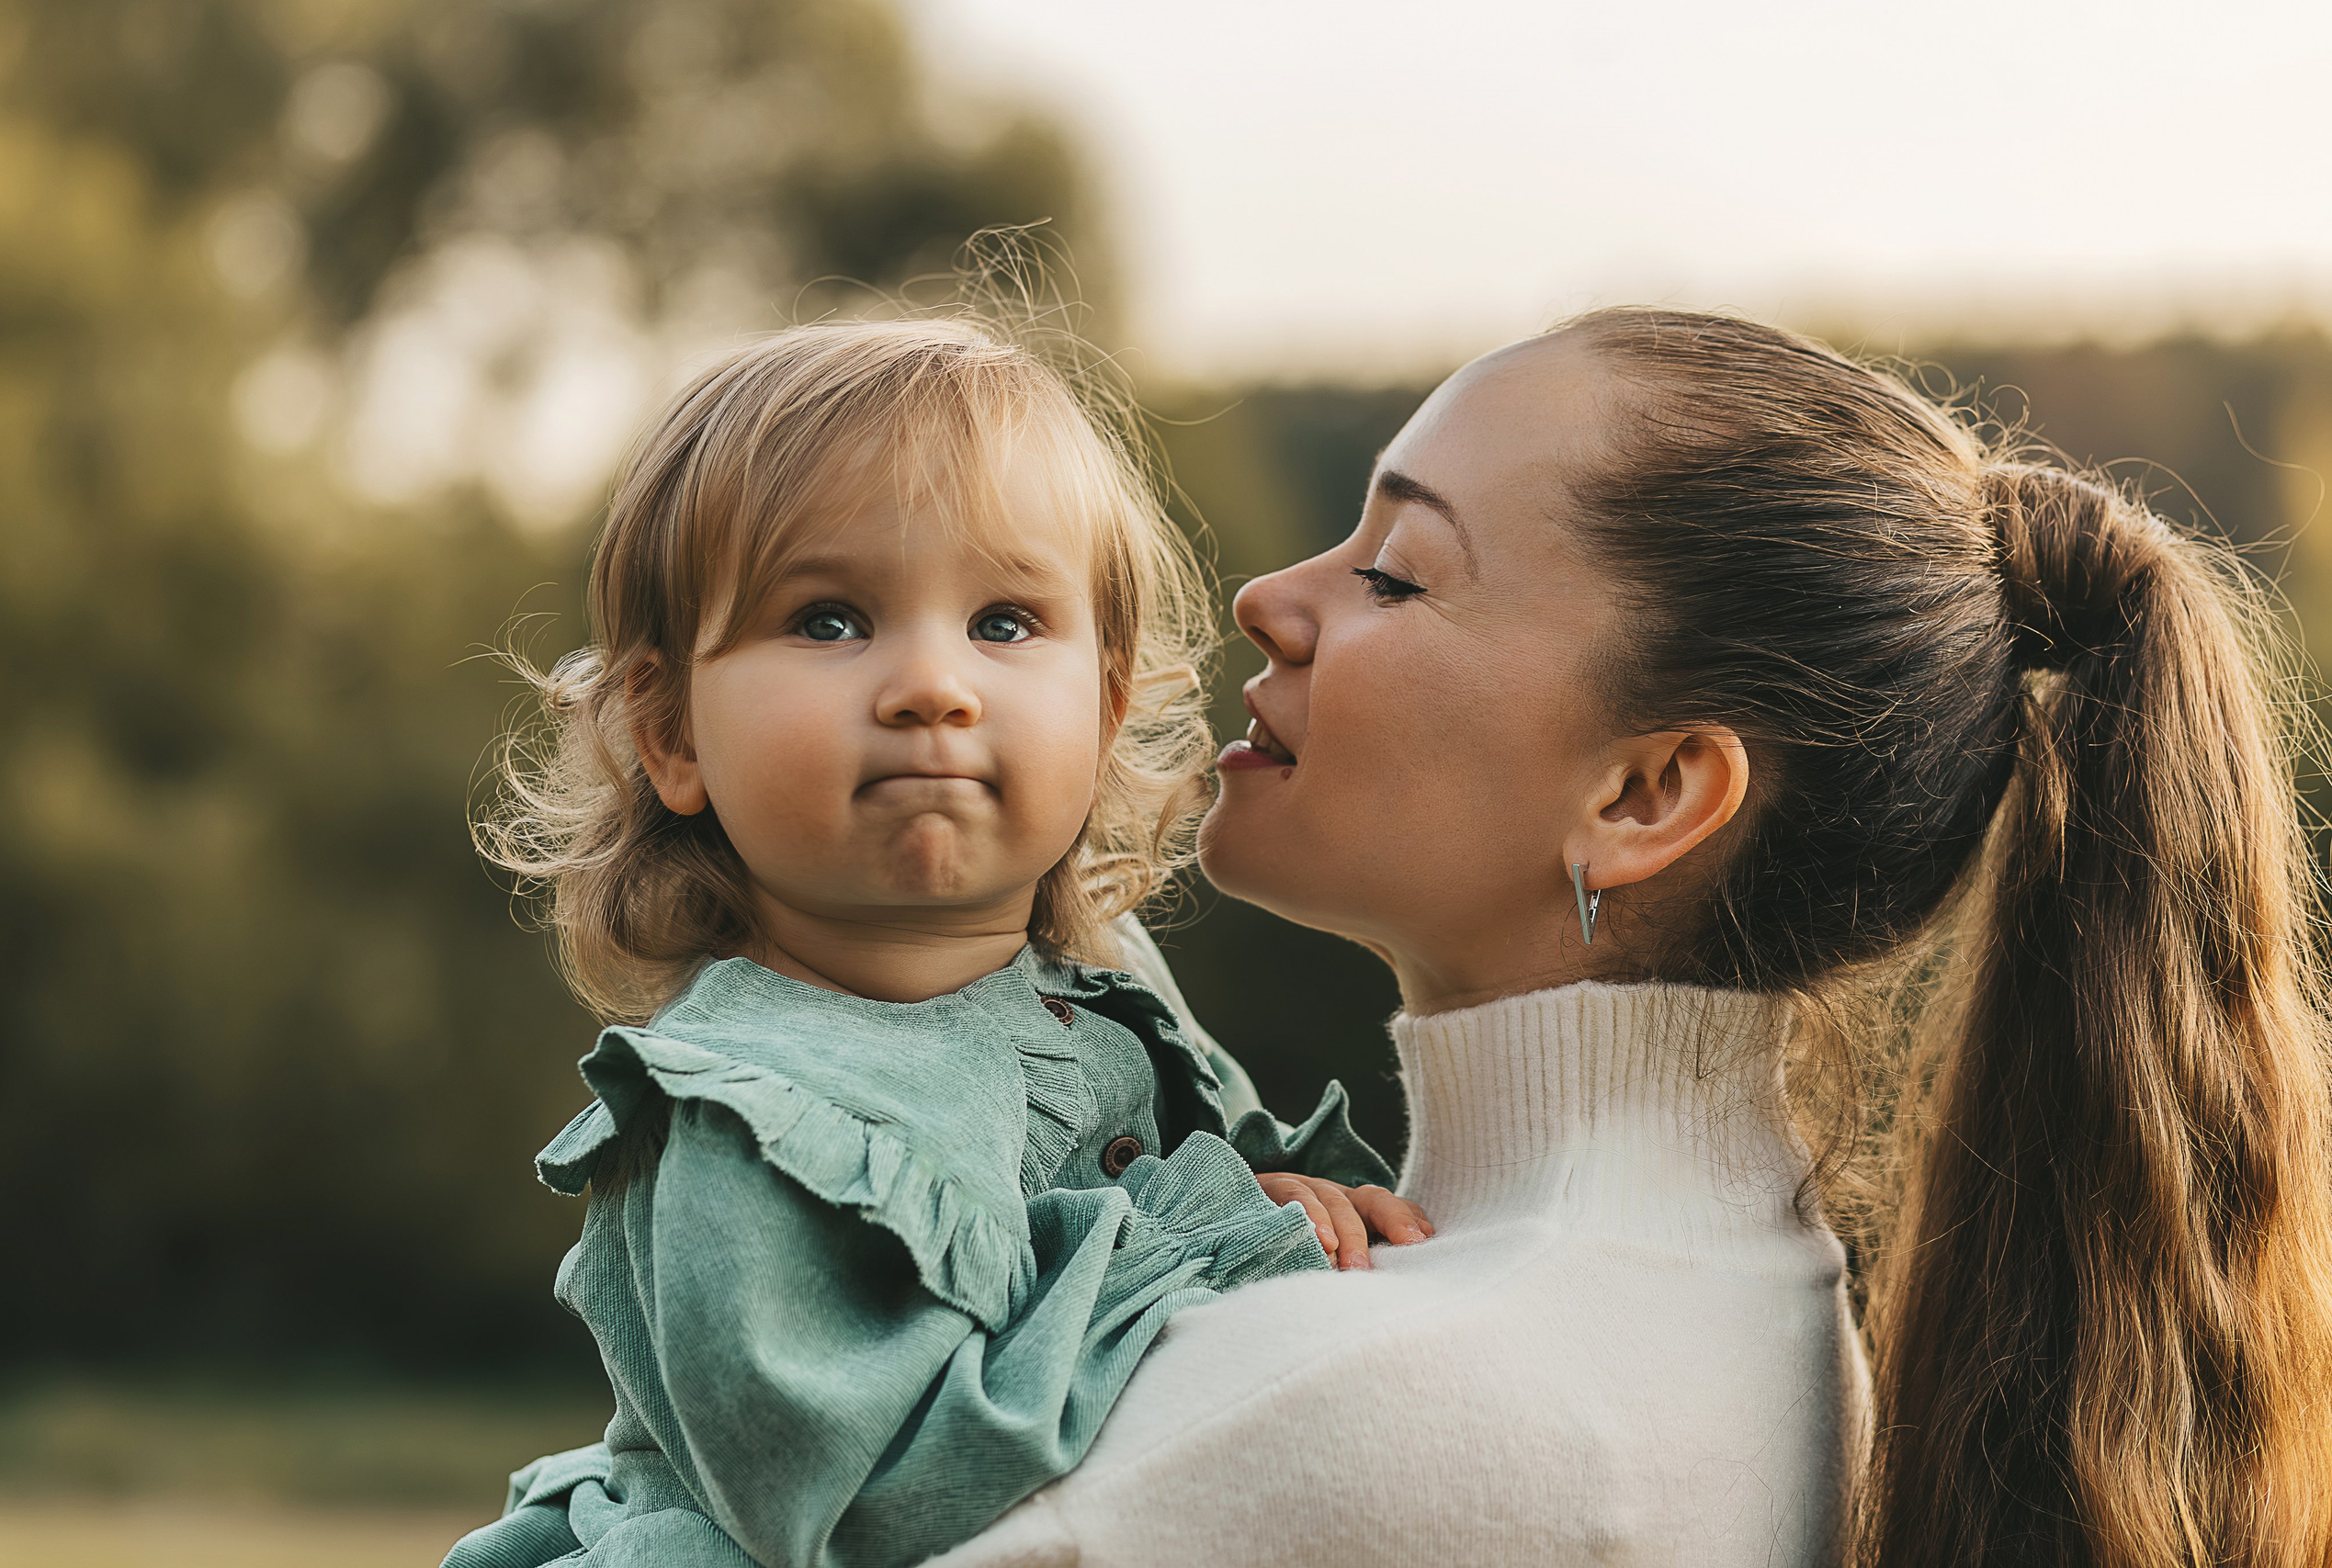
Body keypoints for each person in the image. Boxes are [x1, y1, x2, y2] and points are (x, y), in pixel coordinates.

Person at [933, 310, 2332, 1567]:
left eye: (1399, 574)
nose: (1272, 601)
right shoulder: (1745, 1317)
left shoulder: (1402, 1397)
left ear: (1646, 795)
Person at [441, 318, 1427, 1568]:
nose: (929, 685)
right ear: (673, 729)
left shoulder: (1110, 978)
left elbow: (1237, 1206)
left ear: (1108, 700)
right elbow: (866, 1504)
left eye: (1005, 624)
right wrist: (1194, 1241)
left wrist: (1295, 1212)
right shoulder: (736, 1115)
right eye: (832, 620)